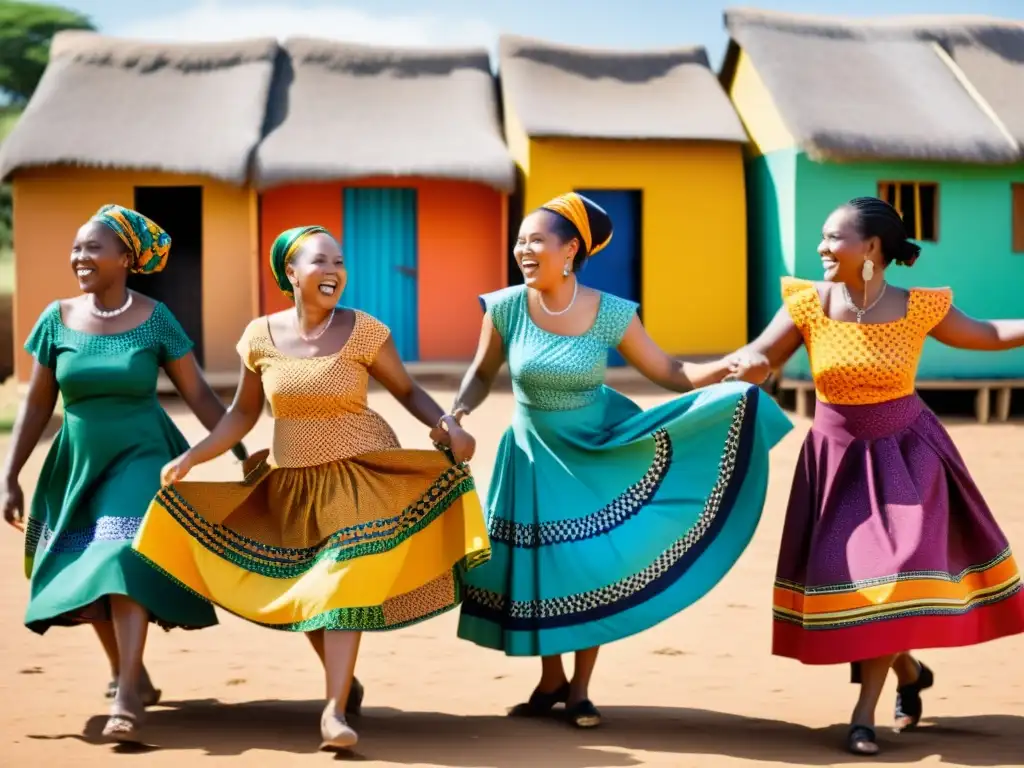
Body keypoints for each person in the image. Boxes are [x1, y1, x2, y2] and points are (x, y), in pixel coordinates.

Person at [134, 225, 490, 751]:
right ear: (291, 274)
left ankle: (332, 712)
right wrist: (193, 455)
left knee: (340, 584)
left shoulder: (365, 330)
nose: (333, 271)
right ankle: (343, 681)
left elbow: (409, 390)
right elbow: (241, 415)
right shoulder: (259, 336)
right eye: (320, 262)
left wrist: (449, 426)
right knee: (307, 590)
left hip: (360, 474)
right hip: (292, 485)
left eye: (339, 262)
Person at [451, 192, 793, 728]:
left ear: (570, 251)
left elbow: (671, 372)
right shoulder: (506, 307)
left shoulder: (610, 312)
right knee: (544, 564)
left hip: (596, 448)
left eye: (536, 240)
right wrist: (458, 411)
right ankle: (551, 680)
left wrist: (730, 366)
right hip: (531, 454)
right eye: (519, 241)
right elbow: (481, 371)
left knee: (591, 561)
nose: (523, 249)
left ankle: (581, 689)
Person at [733, 196, 1024, 756]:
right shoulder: (809, 303)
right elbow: (763, 354)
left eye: (833, 237)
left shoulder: (918, 307)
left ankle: (863, 714)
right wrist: (751, 364)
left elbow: (986, 335)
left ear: (870, 248)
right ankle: (909, 672)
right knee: (858, 586)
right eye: (821, 236)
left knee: (892, 572)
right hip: (837, 464)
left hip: (909, 459)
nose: (821, 246)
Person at [0, 204, 247, 742]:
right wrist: (9, 472)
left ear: (125, 258)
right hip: (77, 464)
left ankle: (128, 694)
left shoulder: (156, 318)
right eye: (76, 248)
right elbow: (38, 404)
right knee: (89, 569)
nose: (79, 257)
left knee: (118, 554)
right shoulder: (56, 318)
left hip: (143, 459)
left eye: (92, 248)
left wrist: (242, 451)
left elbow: (199, 394)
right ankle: (128, 670)